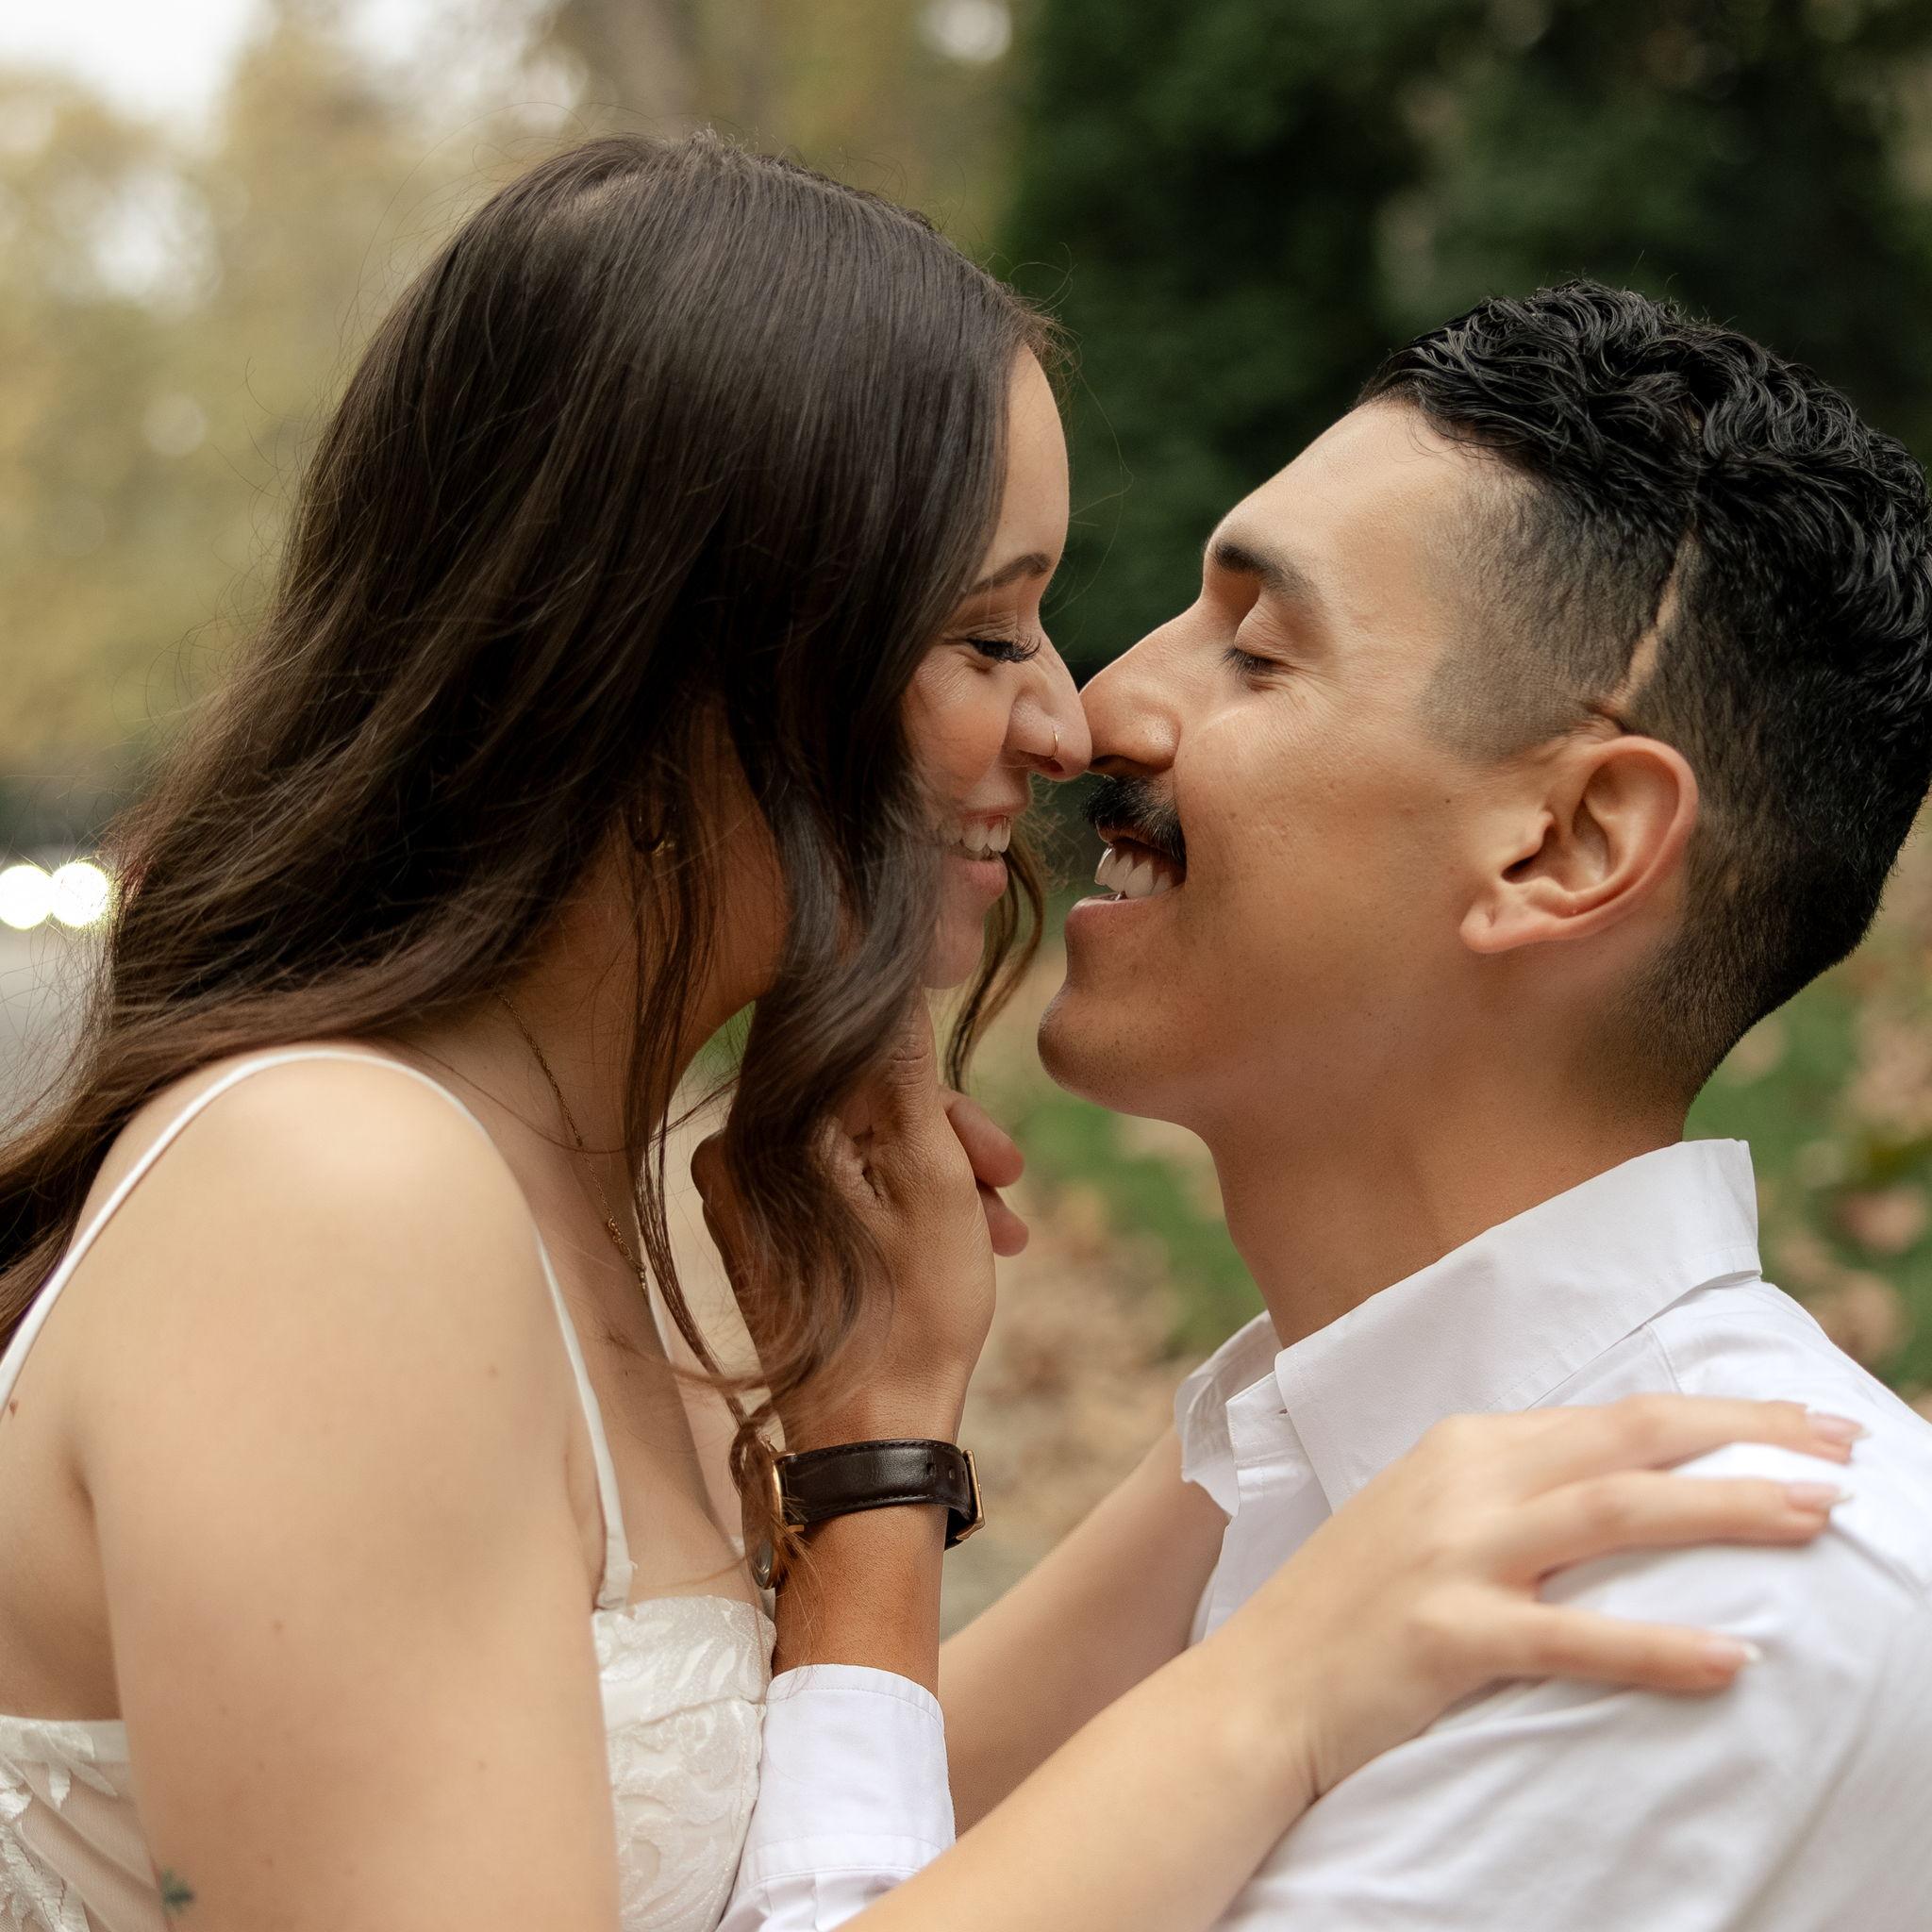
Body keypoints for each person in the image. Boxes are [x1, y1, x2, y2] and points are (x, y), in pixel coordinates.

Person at [0, 136, 1856, 1932]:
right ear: (677, 654)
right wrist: (1264, 1695)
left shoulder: (585, 1215)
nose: (1072, 721)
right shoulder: (337, 1194)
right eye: (986, 635)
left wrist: (876, 1463)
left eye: (1246, 648)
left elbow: (827, 1847)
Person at [950, 283, 1932, 1929]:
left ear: (1566, 846)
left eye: (1258, 656)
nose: (1098, 711)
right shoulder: (1281, 1474)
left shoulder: (1719, 1588)